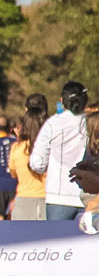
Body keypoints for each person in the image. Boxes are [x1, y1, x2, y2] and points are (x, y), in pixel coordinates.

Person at [30, 81, 88, 221]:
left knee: (57, 241)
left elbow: (37, 162)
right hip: (90, 196)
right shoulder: (92, 123)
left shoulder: (53, 123)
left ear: (62, 101)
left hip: (59, 196)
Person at [9, 109, 47, 220]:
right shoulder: (50, 147)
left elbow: (13, 173)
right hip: (47, 200)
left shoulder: (16, 148)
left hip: (23, 200)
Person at [0, 115, 17, 220]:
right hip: (15, 184)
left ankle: (0, 236)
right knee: (13, 216)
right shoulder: (16, 142)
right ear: (9, 128)